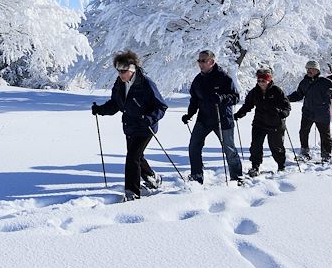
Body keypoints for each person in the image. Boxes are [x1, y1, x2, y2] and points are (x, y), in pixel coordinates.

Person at [92, 50, 168, 201]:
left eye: (124, 70)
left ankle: (132, 192)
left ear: (132, 69)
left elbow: (161, 106)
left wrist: (149, 118)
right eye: (119, 70)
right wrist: (100, 110)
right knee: (137, 157)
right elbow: (115, 104)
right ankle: (153, 178)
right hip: (129, 126)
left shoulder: (146, 83)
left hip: (145, 128)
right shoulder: (119, 84)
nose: (120, 74)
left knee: (132, 157)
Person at [181, 50, 243, 184]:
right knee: (194, 146)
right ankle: (197, 176)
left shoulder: (223, 78)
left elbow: (236, 97)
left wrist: (221, 98)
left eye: (203, 61)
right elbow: (194, 99)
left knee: (229, 149)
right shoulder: (198, 80)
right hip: (204, 119)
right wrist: (189, 114)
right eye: (199, 61)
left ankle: (237, 177)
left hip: (223, 119)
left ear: (212, 62)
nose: (200, 64)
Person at [233, 68, 291, 176]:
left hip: (275, 124)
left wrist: (284, 113)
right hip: (259, 123)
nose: (261, 83)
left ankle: (281, 166)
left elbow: (287, 106)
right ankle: (255, 166)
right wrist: (238, 115)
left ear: (269, 80)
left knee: (276, 147)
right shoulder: (254, 92)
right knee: (255, 146)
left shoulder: (277, 91)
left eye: (263, 81)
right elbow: (247, 105)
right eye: (259, 81)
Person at [287, 60, 332, 162]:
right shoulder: (304, 82)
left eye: (311, 69)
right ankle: (304, 153)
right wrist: (286, 98)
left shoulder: (325, 82)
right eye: (307, 68)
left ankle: (326, 155)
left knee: (325, 135)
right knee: (303, 132)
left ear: (317, 70)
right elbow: (298, 95)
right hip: (308, 113)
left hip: (322, 114)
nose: (309, 70)